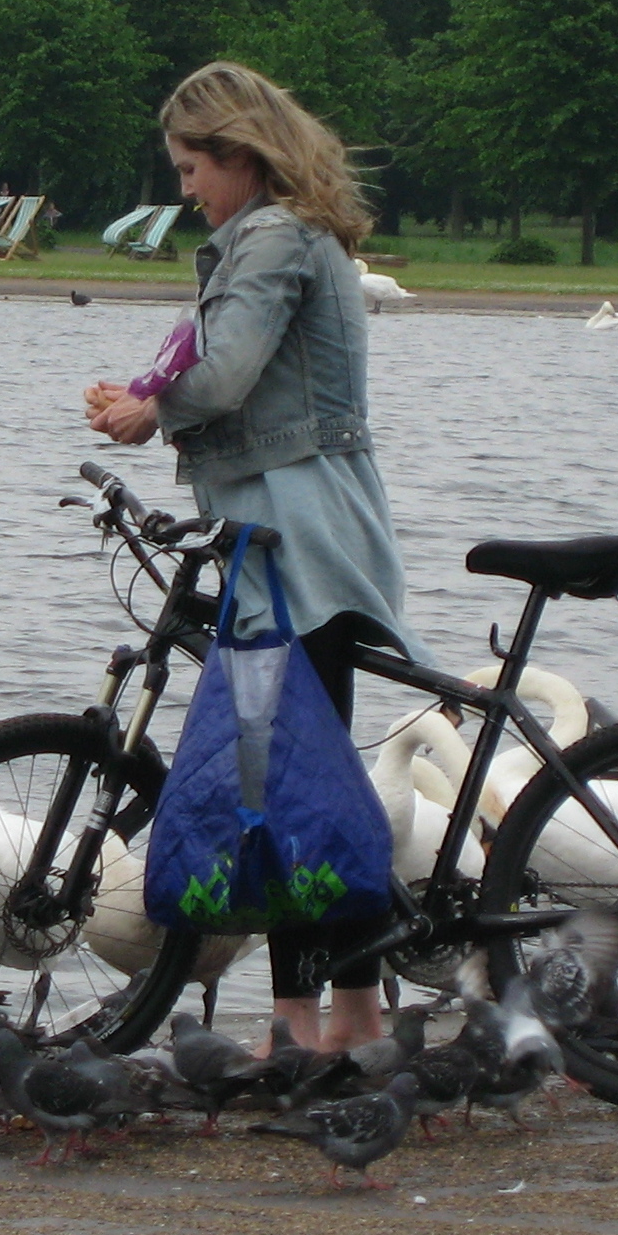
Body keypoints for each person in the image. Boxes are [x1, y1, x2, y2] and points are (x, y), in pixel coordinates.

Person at [82, 61, 413, 1057]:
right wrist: (148, 398)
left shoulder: (269, 238)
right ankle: (330, 1017)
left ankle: (312, 1020)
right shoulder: (293, 234)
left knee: (290, 787)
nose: (185, 186)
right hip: (302, 537)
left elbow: (222, 373)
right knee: (293, 785)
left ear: (241, 153)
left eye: (192, 166)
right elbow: (222, 358)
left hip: (301, 541)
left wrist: (152, 409)